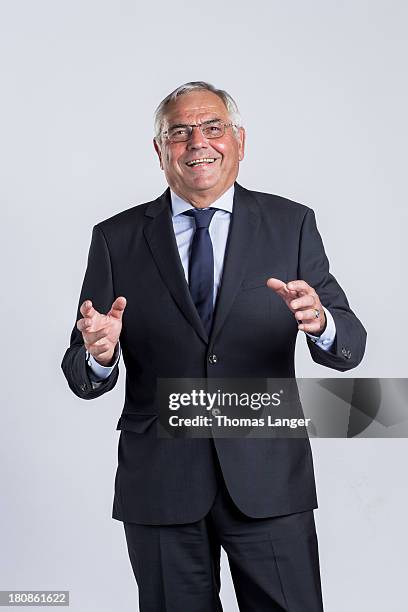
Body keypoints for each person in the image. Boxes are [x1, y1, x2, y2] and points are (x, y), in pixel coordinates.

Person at [61, 81, 367, 611]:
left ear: (239, 142)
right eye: (178, 133)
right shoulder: (116, 238)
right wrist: (98, 353)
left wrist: (320, 322)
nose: (196, 141)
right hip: (161, 481)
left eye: (211, 127)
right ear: (160, 152)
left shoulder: (290, 223)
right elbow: (81, 371)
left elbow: (351, 343)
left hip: (269, 480)